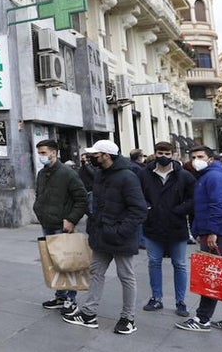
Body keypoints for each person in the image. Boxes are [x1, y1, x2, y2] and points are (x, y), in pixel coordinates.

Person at [63, 140, 147, 335]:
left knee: (126, 276)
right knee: (95, 272)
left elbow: (139, 209)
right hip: (102, 233)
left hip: (120, 236)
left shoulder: (128, 177)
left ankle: (128, 318)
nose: (92, 158)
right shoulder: (101, 174)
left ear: (106, 156)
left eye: (95, 155)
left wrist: (120, 231)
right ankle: (88, 314)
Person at [176, 145, 222, 333]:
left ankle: (202, 319)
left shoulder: (214, 177)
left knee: (211, 276)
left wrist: (212, 231)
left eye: (200, 156)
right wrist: (200, 231)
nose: (196, 160)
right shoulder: (209, 176)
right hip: (217, 232)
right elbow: (203, 207)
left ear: (210, 158)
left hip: (219, 234)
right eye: (193, 157)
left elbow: (218, 205)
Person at [140, 141, 196, 318]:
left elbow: (193, 199)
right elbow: (137, 195)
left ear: (173, 154)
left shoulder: (184, 176)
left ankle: (181, 301)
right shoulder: (144, 174)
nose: (163, 156)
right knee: (154, 262)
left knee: (179, 264)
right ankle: (156, 297)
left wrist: (178, 211)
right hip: (152, 225)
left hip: (176, 226)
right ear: (154, 153)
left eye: (167, 153)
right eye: (159, 152)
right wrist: (147, 208)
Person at [32, 139, 88, 314]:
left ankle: (71, 299)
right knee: (54, 263)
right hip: (47, 223)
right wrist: (38, 209)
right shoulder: (42, 174)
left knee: (68, 263)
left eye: (43, 153)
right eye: (39, 153)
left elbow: (82, 198)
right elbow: (39, 194)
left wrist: (71, 219)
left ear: (53, 153)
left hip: (62, 225)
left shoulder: (67, 173)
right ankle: (60, 295)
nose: (41, 156)